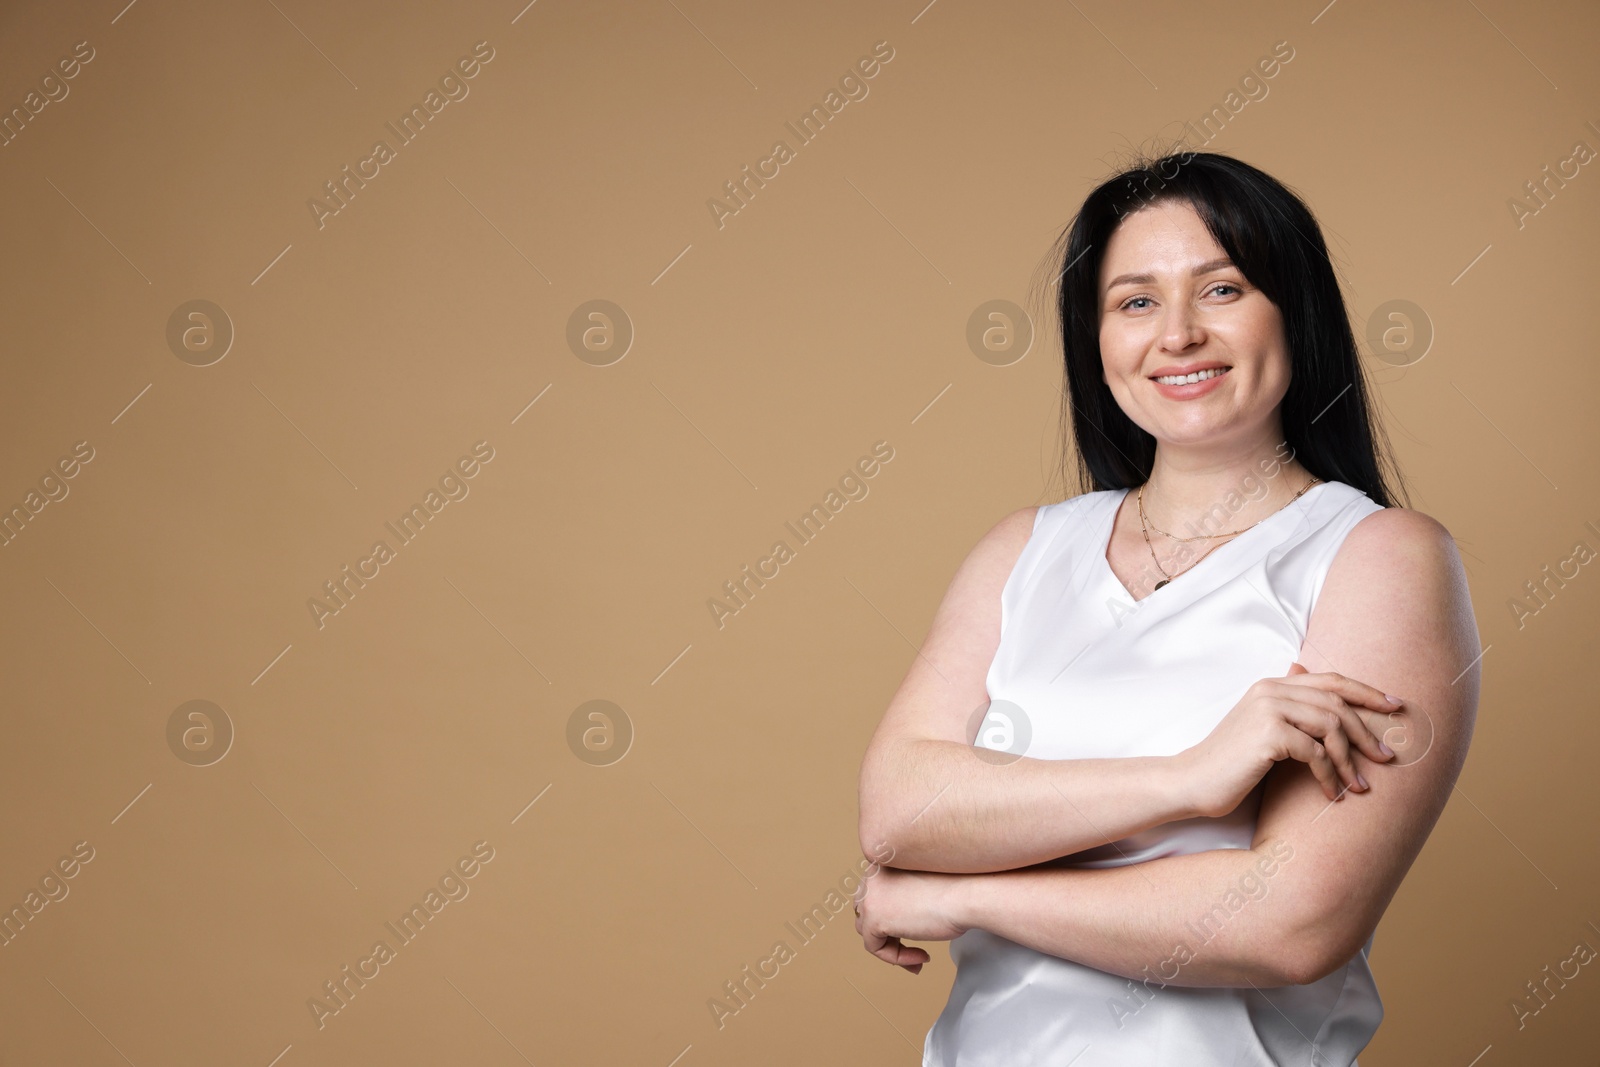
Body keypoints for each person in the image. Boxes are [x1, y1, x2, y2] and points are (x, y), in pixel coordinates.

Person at [852, 149, 1481, 1066]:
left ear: (1293, 312)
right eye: (1136, 301)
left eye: (1222, 290)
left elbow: (1290, 923)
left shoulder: (1382, 559)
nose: (1177, 334)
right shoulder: (1024, 550)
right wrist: (1190, 775)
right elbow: (899, 810)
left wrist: (967, 895)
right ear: (1096, 338)